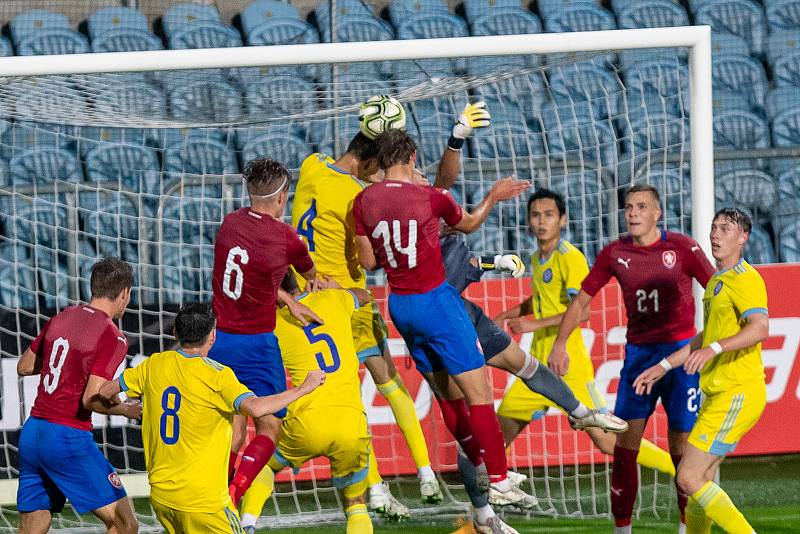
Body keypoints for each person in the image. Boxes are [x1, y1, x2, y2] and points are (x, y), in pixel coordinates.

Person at [289, 102, 489, 510]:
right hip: (347, 299)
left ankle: (378, 487)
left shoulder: (312, 165)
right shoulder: (358, 197)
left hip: (304, 300)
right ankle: (425, 474)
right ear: (371, 161)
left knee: (344, 392)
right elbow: (371, 257)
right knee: (388, 382)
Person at [353, 128, 531, 532]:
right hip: (436, 300)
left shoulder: (361, 201)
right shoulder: (431, 197)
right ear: (413, 157)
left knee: (447, 396)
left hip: (399, 304)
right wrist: (492, 198)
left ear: (380, 161)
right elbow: (467, 226)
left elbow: (367, 262)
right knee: (479, 391)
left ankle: (484, 467)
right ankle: (499, 480)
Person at [548, 184, 715, 533]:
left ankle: (687, 526)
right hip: (639, 357)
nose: (633, 213)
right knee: (624, 447)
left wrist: (713, 342)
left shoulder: (682, 248)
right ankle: (622, 529)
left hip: (680, 357)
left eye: (641, 207)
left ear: (657, 213)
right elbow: (580, 300)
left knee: (681, 449)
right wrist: (560, 343)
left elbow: (717, 290)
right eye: (628, 208)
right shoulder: (614, 253)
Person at [492, 189, 674, 479]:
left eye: (549, 215)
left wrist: (535, 327)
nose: (542, 222)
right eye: (536, 215)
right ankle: (490, 502)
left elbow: (582, 310)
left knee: (605, 441)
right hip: (536, 364)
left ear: (562, 220)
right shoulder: (538, 258)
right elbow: (540, 300)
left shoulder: (570, 258)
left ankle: (679, 470)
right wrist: (508, 314)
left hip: (568, 363)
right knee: (499, 434)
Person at [98, 302, 325, 534]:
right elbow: (256, 409)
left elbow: (105, 391)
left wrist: (126, 409)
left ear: (175, 332)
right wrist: (302, 389)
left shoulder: (154, 364)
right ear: (213, 336)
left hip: (162, 498)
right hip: (205, 504)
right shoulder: (218, 376)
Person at [634, 208, 769, 534]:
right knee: (698, 484)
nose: (716, 234)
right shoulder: (718, 283)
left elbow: (761, 327)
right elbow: (704, 338)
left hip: (737, 391)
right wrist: (663, 366)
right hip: (720, 393)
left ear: (743, 237)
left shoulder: (745, 278)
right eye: (714, 227)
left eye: (725, 229)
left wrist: (715, 349)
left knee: (689, 477)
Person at [210, 157, 318, 506]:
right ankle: (234, 493)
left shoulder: (229, 225)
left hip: (218, 340)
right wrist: (301, 292)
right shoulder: (286, 238)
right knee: (270, 427)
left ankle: (214, 497)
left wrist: (285, 299)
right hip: (256, 344)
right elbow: (310, 274)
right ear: (283, 196)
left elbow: (253, 276)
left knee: (233, 429)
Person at [239, 276, 378, 534]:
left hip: (305, 422)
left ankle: (247, 522)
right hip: (350, 421)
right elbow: (366, 295)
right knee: (356, 503)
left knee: (267, 461)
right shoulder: (334, 299)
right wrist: (338, 288)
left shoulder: (272, 324)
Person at [16, 257, 139, 534]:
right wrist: (126, 409)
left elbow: (24, 366)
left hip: (33, 433)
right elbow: (91, 399)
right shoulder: (112, 335)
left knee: (34, 524)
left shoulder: (62, 317)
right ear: (124, 293)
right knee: (124, 524)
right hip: (66, 437)